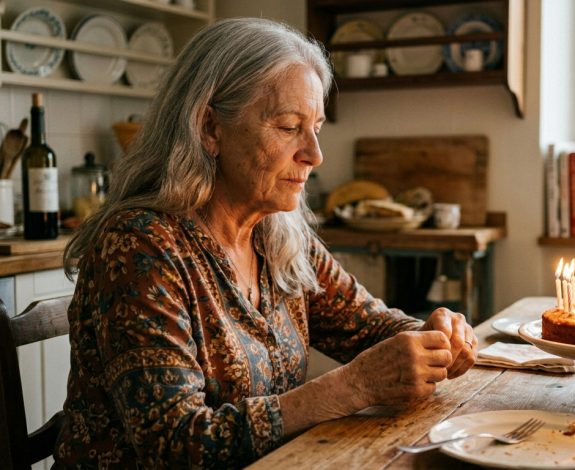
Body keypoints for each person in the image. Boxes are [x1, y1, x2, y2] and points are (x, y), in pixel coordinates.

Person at [55, 18, 477, 468]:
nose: (314, 154)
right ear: (210, 128)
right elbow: (175, 444)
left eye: (316, 126)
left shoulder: (278, 233)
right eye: (289, 126)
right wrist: (352, 387)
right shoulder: (140, 246)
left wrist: (433, 334)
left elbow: (372, 327)